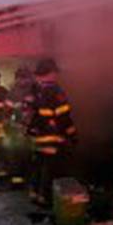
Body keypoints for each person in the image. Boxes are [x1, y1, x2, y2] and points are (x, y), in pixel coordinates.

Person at [26, 58, 77, 206]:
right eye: (55, 73)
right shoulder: (56, 91)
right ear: (50, 73)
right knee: (50, 168)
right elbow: (63, 115)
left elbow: (29, 114)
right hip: (52, 136)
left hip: (37, 137)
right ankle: (45, 197)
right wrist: (73, 134)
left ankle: (34, 193)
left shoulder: (34, 90)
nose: (56, 75)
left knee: (38, 165)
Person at [5, 66, 36, 187]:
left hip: (30, 127)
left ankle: (29, 177)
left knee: (29, 153)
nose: (22, 81)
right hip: (16, 127)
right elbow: (7, 108)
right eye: (19, 78)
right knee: (15, 152)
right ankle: (17, 177)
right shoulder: (12, 92)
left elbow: (36, 107)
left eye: (24, 78)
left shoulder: (34, 90)